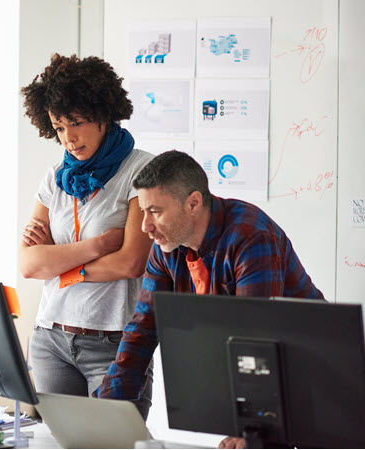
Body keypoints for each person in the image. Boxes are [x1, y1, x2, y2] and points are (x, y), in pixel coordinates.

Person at [93, 150, 324, 449]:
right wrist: (106, 411)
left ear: (193, 203)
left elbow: (256, 337)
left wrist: (250, 428)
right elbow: (142, 329)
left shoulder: (250, 236)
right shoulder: (166, 248)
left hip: (305, 377)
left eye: (155, 211)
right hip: (254, 376)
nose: (145, 226)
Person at [19, 53, 155, 418]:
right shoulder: (56, 178)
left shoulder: (140, 170)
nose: (69, 138)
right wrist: (98, 245)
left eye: (76, 123)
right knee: (56, 443)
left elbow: (130, 261)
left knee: (114, 445)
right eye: (59, 127)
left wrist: (64, 266)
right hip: (51, 339)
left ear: (103, 114)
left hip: (112, 343)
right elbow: (31, 265)